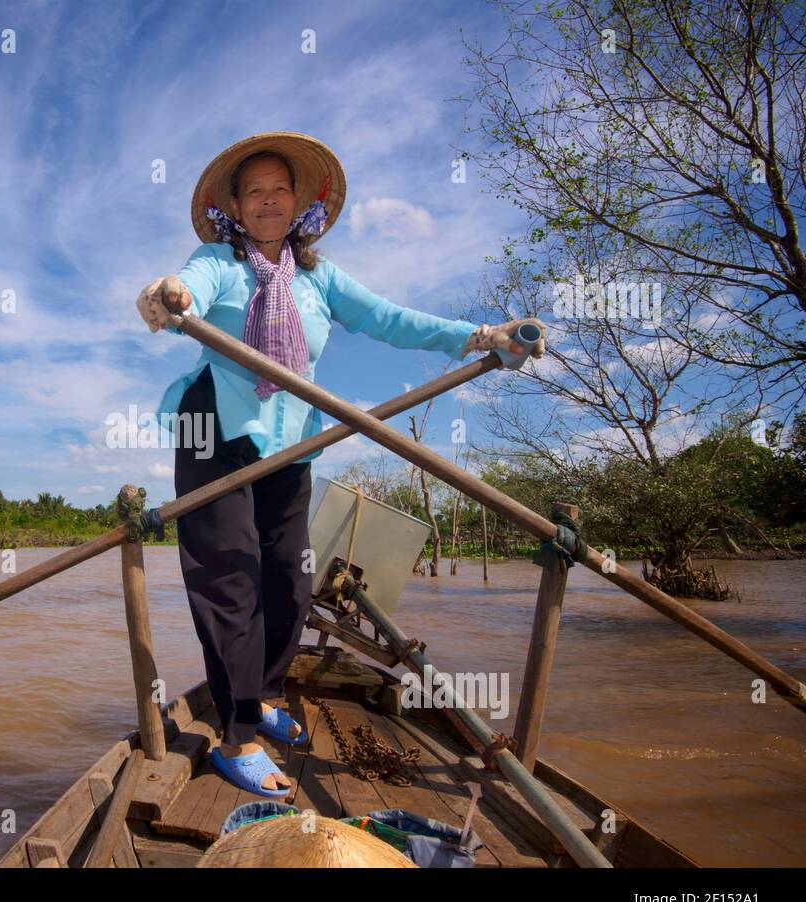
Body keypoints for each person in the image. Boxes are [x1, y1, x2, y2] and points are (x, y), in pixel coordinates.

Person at [135, 131, 544, 797]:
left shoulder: (321, 278)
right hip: (215, 429)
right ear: (234, 206)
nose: (268, 200)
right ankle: (236, 734)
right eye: (254, 191)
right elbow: (185, 291)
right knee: (230, 576)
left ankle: (264, 695)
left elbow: (392, 320)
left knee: (290, 579)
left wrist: (484, 338)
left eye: (280, 189)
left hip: (291, 439)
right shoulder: (218, 260)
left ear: (298, 203)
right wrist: (167, 294)